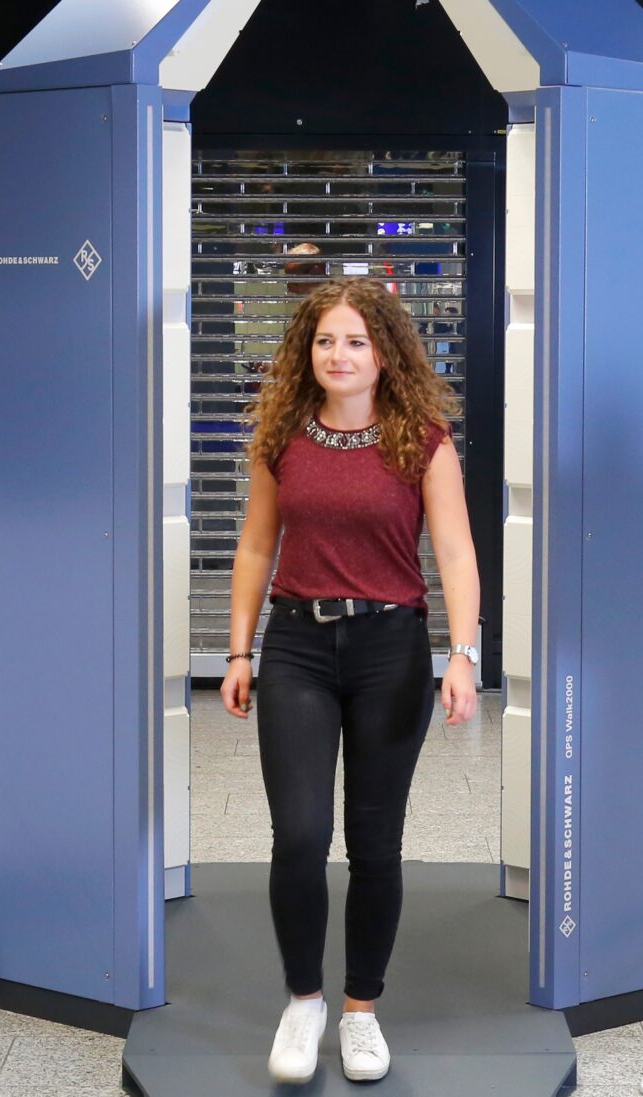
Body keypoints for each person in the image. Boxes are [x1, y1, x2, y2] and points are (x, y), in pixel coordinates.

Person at [220, 277, 481, 1085]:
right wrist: (237, 651)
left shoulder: (424, 443)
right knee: (299, 836)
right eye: (326, 340)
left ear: (386, 354)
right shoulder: (282, 439)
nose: (339, 354)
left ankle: (361, 1010)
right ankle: (305, 1001)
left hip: (389, 652)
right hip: (297, 647)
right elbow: (257, 549)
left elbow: (458, 554)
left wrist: (463, 652)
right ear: (308, 351)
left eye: (357, 341)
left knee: (374, 844)